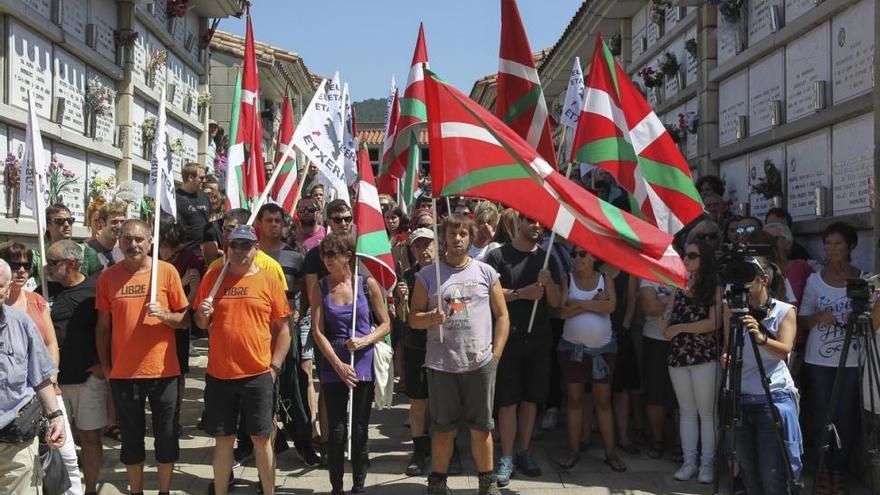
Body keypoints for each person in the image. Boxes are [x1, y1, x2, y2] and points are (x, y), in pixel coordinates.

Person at [409, 214, 509, 495]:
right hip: (442, 365)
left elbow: (502, 316)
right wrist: (430, 317)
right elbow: (413, 318)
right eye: (452, 234)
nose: (457, 239)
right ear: (443, 239)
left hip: (479, 364)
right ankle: (438, 484)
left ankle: (487, 485)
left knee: (482, 428)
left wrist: (495, 356)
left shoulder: (486, 272)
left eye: (463, 234)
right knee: (442, 429)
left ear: (470, 237)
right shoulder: (428, 275)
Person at [195, 225, 292, 495]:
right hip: (219, 375)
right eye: (234, 245)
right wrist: (203, 313)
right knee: (223, 440)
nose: (239, 251)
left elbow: (283, 330)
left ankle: (269, 491)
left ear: (255, 249)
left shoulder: (269, 279)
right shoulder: (213, 277)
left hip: (257, 374)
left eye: (245, 246)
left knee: (262, 438)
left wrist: (274, 367)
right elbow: (201, 323)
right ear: (227, 248)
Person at [96, 219, 190, 495]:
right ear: (119, 242)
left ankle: (164, 491)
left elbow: (185, 320)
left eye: (139, 239)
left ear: (150, 242)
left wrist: (165, 315)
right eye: (127, 239)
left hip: (163, 372)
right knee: (131, 441)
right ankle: (136, 490)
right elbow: (103, 328)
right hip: (124, 374)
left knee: (166, 438)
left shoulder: (167, 272)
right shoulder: (108, 278)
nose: (133, 244)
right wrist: (106, 366)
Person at [484, 213, 561, 486]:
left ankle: (524, 450)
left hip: (539, 339)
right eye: (530, 220)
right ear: (518, 223)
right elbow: (485, 293)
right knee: (507, 401)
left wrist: (549, 283)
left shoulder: (548, 257)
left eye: (539, 221)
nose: (536, 225)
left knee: (531, 399)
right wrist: (520, 293)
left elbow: (556, 302)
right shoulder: (497, 257)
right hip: (508, 340)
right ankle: (506, 457)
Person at [311, 232, 391, 494]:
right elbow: (317, 331)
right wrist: (336, 364)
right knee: (335, 431)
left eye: (333, 254)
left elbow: (387, 324)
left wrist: (364, 340)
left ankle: (359, 485)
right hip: (334, 362)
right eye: (324, 254)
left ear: (348, 257)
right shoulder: (320, 287)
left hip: (362, 361)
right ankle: (336, 487)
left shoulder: (367, 284)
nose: (328, 260)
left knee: (358, 430)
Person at [0, 242, 82, 494]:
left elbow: (41, 377)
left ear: (5, 288)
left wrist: (55, 415)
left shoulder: (22, 323)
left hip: (15, 443)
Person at [724, 256, 802, 495]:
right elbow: (727, 348)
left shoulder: (784, 311)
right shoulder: (732, 309)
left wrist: (761, 337)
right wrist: (725, 357)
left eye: (747, 279)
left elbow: (785, 350)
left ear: (763, 281)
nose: (741, 286)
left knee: (772, 476)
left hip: (772, 399)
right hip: (740, 397)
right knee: (750, 475)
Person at [798, 222, 864, 494]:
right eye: (828, 243)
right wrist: (818, 318)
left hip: (850, 359)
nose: (832, 248)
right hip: (819, 360)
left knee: (846, 417)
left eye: (837, 243)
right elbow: (802, 318)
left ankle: (839, 470)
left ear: (850, 246)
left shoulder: (863, 278)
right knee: (823, 415)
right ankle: (823, 469)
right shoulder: (815, 280)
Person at [255, 203, 320, 467]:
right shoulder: (249, 254)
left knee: (293, 389)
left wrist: (300, 312)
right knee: (259, 392)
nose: (273, 225)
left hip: (286, 333)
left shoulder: (295, 257)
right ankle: (260, 444)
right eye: (268, 220)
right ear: (259, 223)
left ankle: (303, 443)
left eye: (277, 221)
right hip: (256, 334)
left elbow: (307, 290)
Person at [553, 248, 626, 472]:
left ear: (594, 257)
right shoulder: (568, 278)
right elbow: (562, 312)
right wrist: (594, 303)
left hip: (603, 351)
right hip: (572, 350)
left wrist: (580, 303)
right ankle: (573, 451)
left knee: (603, 401)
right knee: (574, 399)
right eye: (574, 254)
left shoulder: (606, 279)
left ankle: (610, 453)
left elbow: (611, 307)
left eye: (582, 254)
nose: (577, 258)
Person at [44, 240, 105, 495]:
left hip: (86, 380)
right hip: (52, 382)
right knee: (56, 441)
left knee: (90, 438)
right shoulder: (45, 291)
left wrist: (103, 365)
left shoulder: (95, 290)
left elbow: (109, 329)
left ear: (70, 264)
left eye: (52, 263)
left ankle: (90, 489)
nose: (46, 268)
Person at [661, 241, 721, 484]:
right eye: (686, 255)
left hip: (704, 356)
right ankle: (689, 461)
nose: (686, 260)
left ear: (704, 259)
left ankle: (707, 464)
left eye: (692, 256)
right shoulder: (680, 285)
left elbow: (713, 322)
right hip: (678, 356)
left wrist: (679, 328)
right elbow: (667, 319)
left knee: (707, 412)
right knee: (686, 411)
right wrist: (667, 321)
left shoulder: (714, 287)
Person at [395, 227, 437, 476]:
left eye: (427, 244)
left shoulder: (446, 274)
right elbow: (403, 320)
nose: (423, 250)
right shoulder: (408, 277)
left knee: (443, 403)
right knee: (418, 402)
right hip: (416, 346)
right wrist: (402, 300)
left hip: (442, 347)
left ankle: (448, 449)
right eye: (418, 246)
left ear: (436, 245)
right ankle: (419, 451)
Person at [157, 215, 204, 437]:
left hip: (179, 321)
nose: (167, 253)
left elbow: (194, 296)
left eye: (171, 249)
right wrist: (179, 283)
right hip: (155, 324)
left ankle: (173, 416)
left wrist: (186, 289)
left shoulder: (190, 260)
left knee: (178, 372)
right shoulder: (152, 257)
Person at [638, 277, 676, 459]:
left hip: (683, 340)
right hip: (655, 340)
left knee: (682, 397)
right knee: (655, 394)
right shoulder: (649, 273)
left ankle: (681, 444)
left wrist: (663, 302)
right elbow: (649, 307)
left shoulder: (686, 272)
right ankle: (657, 440)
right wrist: (678, 303)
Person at [31, 204, 103, 286]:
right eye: (60, 221)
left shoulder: (88, 253)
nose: (66, 225)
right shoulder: (38, 255)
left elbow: (97, 286)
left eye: (70, 220)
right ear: (48, 225)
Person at [175, 162, 212, 256]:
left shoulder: (204, 197)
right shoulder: (174, 199)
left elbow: (211, 220)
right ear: (190, 178)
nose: (204, 181)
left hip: (205, 254)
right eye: (201, 178)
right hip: (185, 254)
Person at [86, 201, 127, 270]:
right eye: (114, 222)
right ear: (102, 222)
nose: (119, 226)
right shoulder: (86, 251)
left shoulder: (127, 250)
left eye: (122, 222)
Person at [200, 181, 226, 266]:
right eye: (208, 192)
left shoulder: (222, 221)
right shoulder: (198, 214)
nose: (211, 195)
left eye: (215, 191)